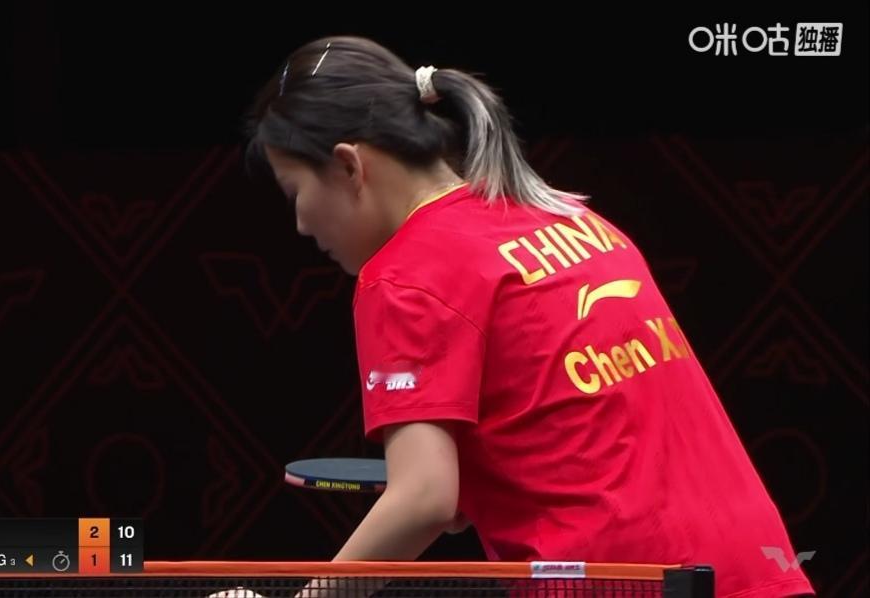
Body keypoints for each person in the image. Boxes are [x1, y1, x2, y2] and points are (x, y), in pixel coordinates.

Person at [237, 35, 815, 598]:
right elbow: (582, 426)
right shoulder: (572, 219)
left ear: (348, 167)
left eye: (294, 192)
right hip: (757, 569)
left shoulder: (405, 275)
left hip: (617, 582)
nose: (301, 224)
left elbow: (424, 500)